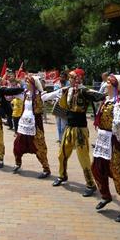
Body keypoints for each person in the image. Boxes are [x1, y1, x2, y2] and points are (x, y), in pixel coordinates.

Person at [45, 68, 105, 197]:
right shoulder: (67, 90)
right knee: (62, 155)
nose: (69, 79)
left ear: (78, 78)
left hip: (80, 130)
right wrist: (39, 95)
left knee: (83, 158)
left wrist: (110, 96)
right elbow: (51, 95)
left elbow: (98, 96)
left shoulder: (84, 91)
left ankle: (91, 184)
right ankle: (62, 176)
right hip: (69, 127)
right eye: (69, 77)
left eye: (72, 77)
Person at [91, 74, 120, 222]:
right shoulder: (106, 100)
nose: (106, 84)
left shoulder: (118, 103)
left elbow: (119, 121)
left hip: (115, 142)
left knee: (119, 174)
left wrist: (118, 127)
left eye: (109, 82)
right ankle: (105, 196)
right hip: (103, 141)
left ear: (115, 86)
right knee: (97, 168)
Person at [12, 75, 51, 178]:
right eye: (26, 82)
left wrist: (60, 92)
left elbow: (50, 96)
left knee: (39, 146)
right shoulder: (25, 94)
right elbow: (13, 95)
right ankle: (18, 163)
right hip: (24, 125)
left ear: (33, 84)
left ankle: (46, 169)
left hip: (35, 126)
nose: (26, 84)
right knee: (17, 144)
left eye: (28, 82)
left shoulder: (40, 95)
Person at [51, 71, 69, 143]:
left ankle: (64, 138)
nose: (62, 78)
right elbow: (54, 94)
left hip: (65, 107)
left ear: (66, 78)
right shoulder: (56, 84)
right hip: (57, 106)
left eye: (63, 77)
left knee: (64, 125)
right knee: (58, 124)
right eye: (61, 77)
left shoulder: (69, 84)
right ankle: (60, 138)